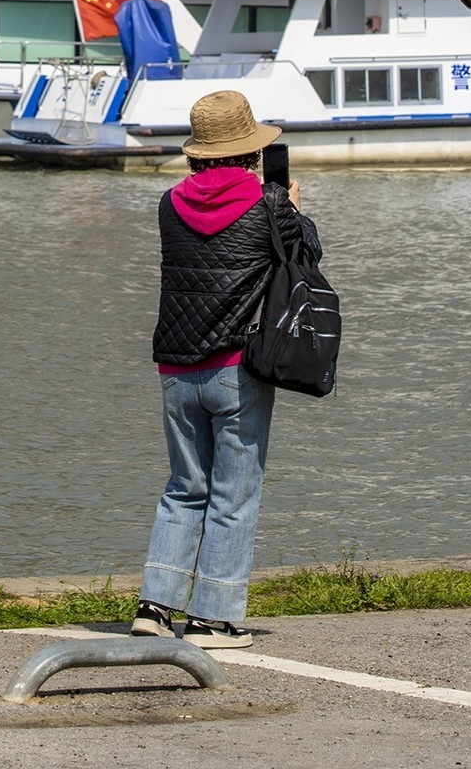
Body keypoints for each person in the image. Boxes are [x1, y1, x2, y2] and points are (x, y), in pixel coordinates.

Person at [131, 88, 321, 648]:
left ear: (196, 153)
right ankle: (214, 618)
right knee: (233, 495)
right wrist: (295, 210)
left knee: (184, 487)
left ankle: (154, 606)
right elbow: (307, 258)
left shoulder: (169, 203)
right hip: (236, 368)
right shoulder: (269, 206)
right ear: (252, 152)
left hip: (174, 368)